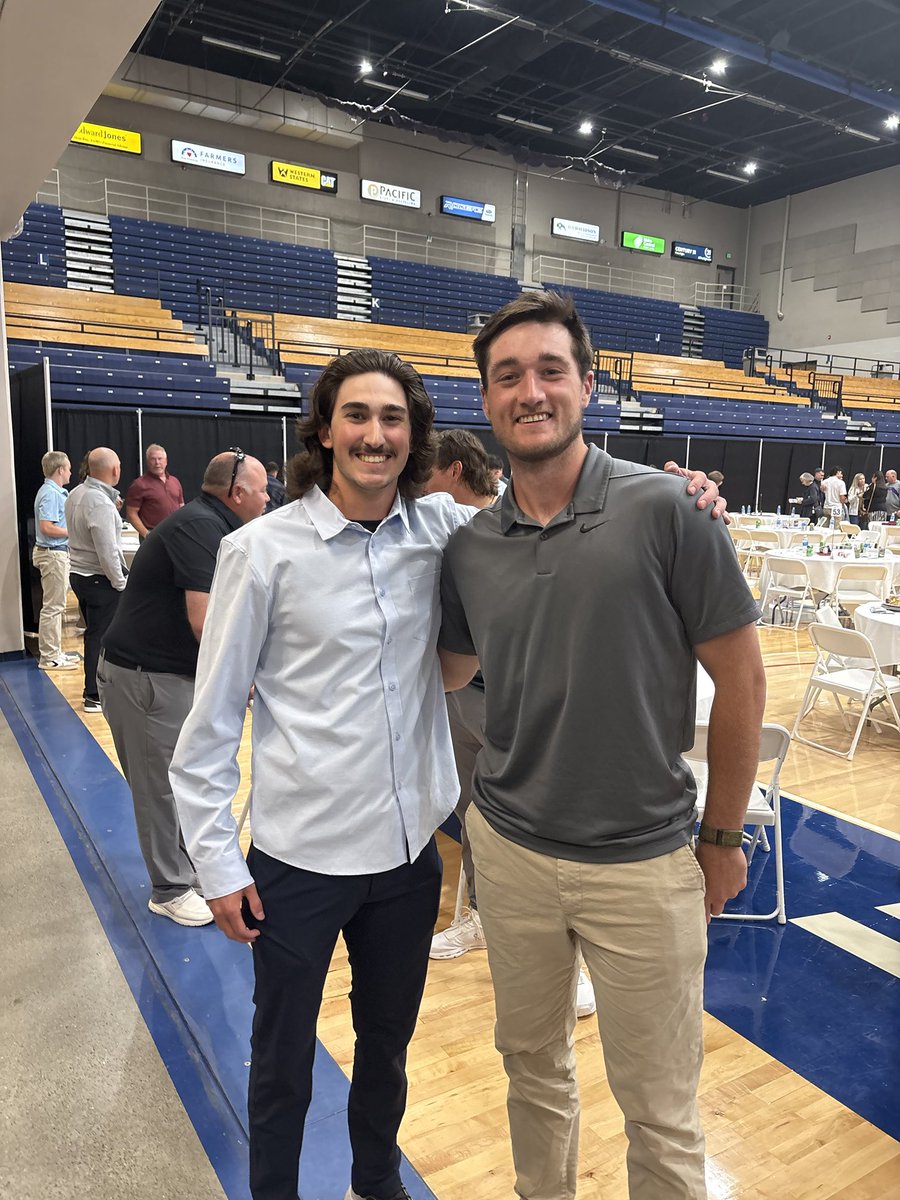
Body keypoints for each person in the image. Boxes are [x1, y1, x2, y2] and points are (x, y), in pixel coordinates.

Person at [169, 347, 725, 1200]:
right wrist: (215, 864)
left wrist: (684, 497)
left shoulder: (444, 534)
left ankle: (375, 1181)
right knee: (282, 1057)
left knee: (388, 1047)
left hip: (405, 861)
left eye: (393, 420)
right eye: (357, 416)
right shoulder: (260, 552)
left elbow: (550, 515)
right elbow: (208, 726)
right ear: (324, 430)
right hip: (300, 860)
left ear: (415, 438)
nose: (375, 435)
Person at [438, 291, 767, 1200]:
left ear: (587, 384)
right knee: (531, 1069)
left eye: (551, 371)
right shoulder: (469, 547)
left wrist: (726, 836)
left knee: (661, 1110)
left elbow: (743, 683)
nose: (531, 391)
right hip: (508, 852)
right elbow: (445, 670)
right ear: (488, 399)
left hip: (645, 862)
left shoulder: (668, 508)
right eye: (508, 376)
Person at [423, 430, 596, 1012]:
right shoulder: (447, 535)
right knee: (476, 821)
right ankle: (476, 919)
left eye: (426, 471)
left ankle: (575, 962)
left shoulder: (528, 525)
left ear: (450, 471)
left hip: (529, 707)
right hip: (465, 696)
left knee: (549, 833)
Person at [98, 451, 269, 928]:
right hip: (144, 677)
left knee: (178, 779)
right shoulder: (200, 529)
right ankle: (169, 889)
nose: (266, 502)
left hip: (165, 675)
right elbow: (207, 621)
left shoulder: (210, 524)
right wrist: (248, 679)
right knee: (159, 786)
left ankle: (186, 870)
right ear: (237, 495)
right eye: (261, 493)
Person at [65, 448, 128, 713]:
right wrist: (121, 583)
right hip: (98, 579)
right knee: (100, 637)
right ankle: (94, 694)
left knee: (95, 634)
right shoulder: (99, 502)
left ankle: (100, 688)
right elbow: (108, 551)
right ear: (114, 471)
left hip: (79, 574)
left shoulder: (76, 493)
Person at [32, 450, 79, 671]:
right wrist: (73, 532)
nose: (70, 472)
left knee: (56, 606)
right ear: (60, 469)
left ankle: (55, 652)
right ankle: (49, 657)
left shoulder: (57, 492)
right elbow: (46, 527)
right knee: (53, 607)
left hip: (57, 553)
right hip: (52, 554)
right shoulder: (50, 493)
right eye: (68, 468)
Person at [124, 443, 184, 537]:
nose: (157, 462)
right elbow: (131, 514)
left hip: (175, 534)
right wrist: (146, 534)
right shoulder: (139, 484)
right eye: (153, 459)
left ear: (166, 461)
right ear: (147, 462)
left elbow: (181, 507)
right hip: (152, 535)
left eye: (160, 459)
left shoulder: (175, 481)